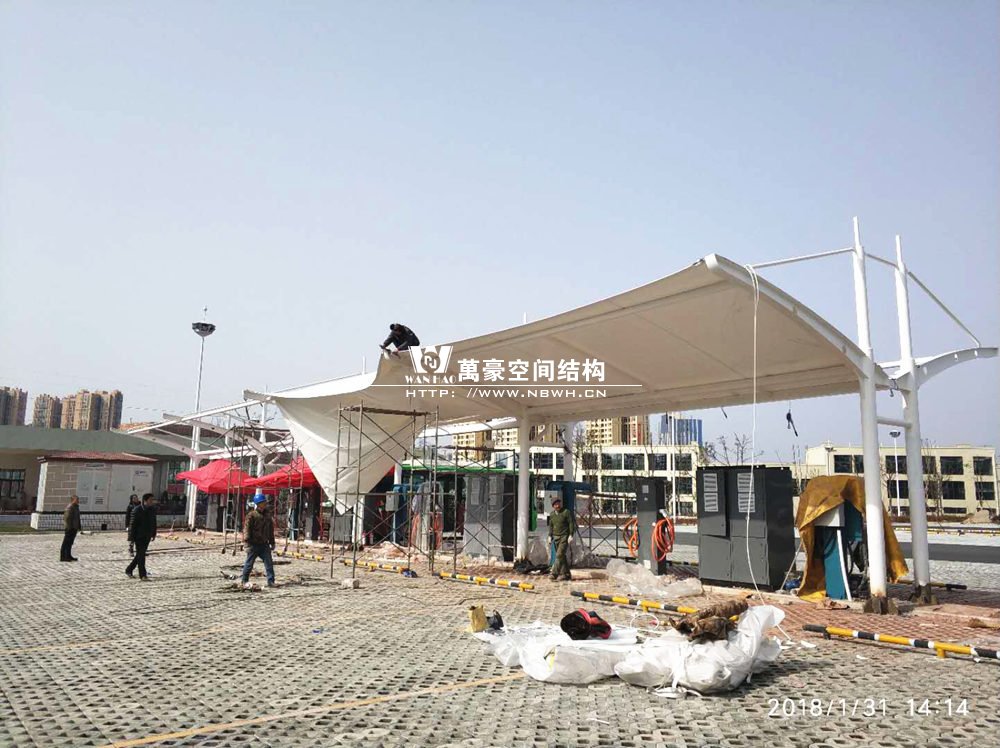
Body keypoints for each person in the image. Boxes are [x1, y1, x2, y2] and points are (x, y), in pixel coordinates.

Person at [242, 490, 276, 587]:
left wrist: (272, 542)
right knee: (249, 563)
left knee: (269, 563)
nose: (265, 504)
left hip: (264, 544)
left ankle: (271, 581)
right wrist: (247, 542)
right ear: (258, 504)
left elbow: (270, 530)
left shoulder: (267, 516)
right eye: (263, 502)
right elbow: (247, 529)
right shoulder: (251, 515)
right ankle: (244, 580)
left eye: (265, 502)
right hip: (253, 544)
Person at [126, 493, 157, 580]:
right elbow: (132, 525)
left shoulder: (152, 510)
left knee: (140, 554)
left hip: (147, 535)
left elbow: (154, 522)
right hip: (139, 536)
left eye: (152, 500)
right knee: (141, 555)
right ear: (145, 501)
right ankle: (143, 575)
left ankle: (129, 569)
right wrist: (131, 538)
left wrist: (154, 533)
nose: (152, 502)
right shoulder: (137, 510)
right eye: (150, 500)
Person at [547, 495, 576, 582]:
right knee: (562, 556)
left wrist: (571, 534)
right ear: (553, 506)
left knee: (559, 555)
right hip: (555, 537)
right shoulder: (552, 515)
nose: (558, 505)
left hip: (564, 537)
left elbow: (571, 523)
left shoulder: (566, 512)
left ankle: (554, 573)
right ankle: (566, 574)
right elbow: (551, 526)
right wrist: (550, 536)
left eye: (558, 503)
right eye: (555, 504)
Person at [60, 495, 81, 562]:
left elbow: (77, 518)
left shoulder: (76, 507)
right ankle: (63, 556)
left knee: (70, 542)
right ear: (72, 500)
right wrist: (69, 527)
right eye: (76, 499)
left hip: (74, 527)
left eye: (78, 499)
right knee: (66, 542)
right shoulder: (70, 507)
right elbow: (67, 518)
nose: (78, 501)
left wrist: (79, 526)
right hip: (70, 528)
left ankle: (68, 555)